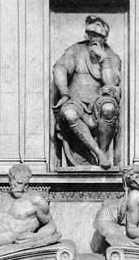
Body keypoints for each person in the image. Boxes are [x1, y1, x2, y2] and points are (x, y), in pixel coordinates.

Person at [52, 14, 121, 168]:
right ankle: (98, 152)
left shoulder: (112, 56)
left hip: (98, 101)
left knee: (109, 108)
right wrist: (64, 92)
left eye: (98, 36)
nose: (93, 39)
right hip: (75, 100)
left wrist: (104, 59)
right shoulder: (75, 50)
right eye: (90, 35)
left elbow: (110, 83)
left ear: (105, 38)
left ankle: (101, 156)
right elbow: (59, 68)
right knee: (69, 114)